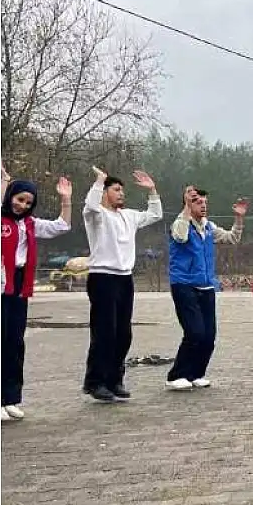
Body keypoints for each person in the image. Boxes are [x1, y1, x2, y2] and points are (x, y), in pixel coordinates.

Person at [81, 166, 163, 402]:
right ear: (105, 193)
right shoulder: (97, 216)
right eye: (116, 189)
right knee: (104, 332)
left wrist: (152, 190)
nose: (121, 194)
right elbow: (90, 205)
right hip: (102, 277)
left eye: (122, 190)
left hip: (124, 278)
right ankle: (96, 382)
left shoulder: (129, 216)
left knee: (123, 333)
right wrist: (99, 182)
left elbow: (155, 214)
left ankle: (115, 379)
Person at [1, 165, 72, 421]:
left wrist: (66, 200)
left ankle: (11, 397)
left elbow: (61, 226)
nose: (22, 205)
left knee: (14, 342)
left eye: (28, 202)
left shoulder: (30, 224)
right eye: (19, 199)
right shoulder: (0, 220)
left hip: (19, 285)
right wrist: (4, 182)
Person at [164, 187, 248, 391]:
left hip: (207, 285)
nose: (203, 206)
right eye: (197, 202)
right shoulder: (180, 223)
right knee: (194, 332)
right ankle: (176, 375)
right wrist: (185, 206)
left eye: (204, 203)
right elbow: (181, 237)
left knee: (209, 336)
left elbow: (232, 238)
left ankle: (196, 373)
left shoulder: (208, 227)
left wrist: (238, 219)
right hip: (184, 284)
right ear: (188, 204)